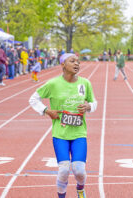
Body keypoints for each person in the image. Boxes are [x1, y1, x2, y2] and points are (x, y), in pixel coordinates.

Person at [29, 53, 97, 198]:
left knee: (79, 170)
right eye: (72, 61)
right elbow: (33, 99)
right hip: (60, 134)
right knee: (64, 171)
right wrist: (47, 111)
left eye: (78, 62)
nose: (77, 64)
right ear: (62, 65)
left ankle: (80, 189)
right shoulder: (53, 84)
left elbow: (94, 102)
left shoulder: (85, 83)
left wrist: (88, 106)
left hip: (79, 133)